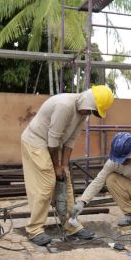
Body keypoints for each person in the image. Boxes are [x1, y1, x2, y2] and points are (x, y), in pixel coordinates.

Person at [20, 85, 115, 246]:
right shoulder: (64, 105)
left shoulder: (82, 113)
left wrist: (64, 166)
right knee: (47, 183)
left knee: (66, 181)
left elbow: (70, 141)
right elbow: (53, 139)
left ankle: (72, 226)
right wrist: (56, 167)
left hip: (52, 144)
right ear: (88, 101)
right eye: (92, 110)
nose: (89, 114)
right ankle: (34, 230)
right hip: (36, 142)